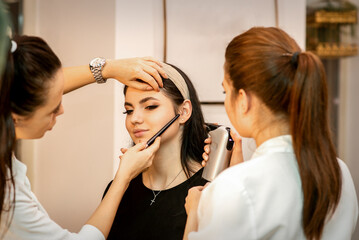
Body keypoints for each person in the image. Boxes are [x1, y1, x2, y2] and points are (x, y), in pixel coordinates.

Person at [183, 27, 358, 240]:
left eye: (225, 91)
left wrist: (194, 211)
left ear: (243, 99)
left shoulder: (235, 188)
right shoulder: (340, 173)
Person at [0, 34, 168, 239]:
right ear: (15, 116)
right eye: (52, 109)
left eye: (151, 106)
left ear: (184, 111)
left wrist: (109, 69)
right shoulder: (8, 194)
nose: (61, 110)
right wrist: (122, 178)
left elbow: (44, 83)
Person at [103, 63, 209, 240]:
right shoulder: (118, 189)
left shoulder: (207, 191)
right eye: (128, 110)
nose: (134, 119)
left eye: (151, 107)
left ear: (183, 112)